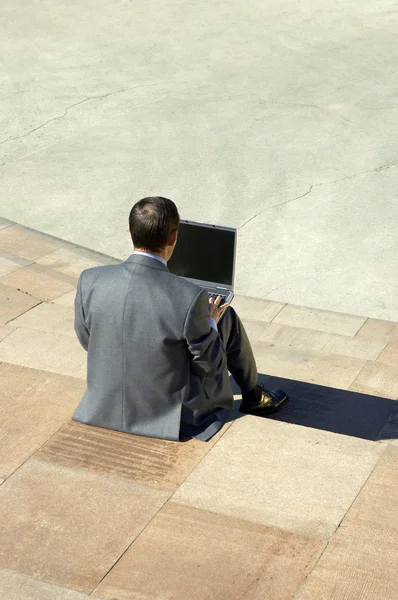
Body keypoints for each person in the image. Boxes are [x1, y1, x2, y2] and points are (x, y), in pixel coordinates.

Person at [73, 196, 288, 441]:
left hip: (103, 406)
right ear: (173, 238)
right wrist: (210, 322)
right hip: (172, 417)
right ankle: (253, 397)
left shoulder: (90, 280)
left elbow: (88, 341)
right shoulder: (189, 297)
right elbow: (210, 366)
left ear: (130, 230)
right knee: (224, 315)